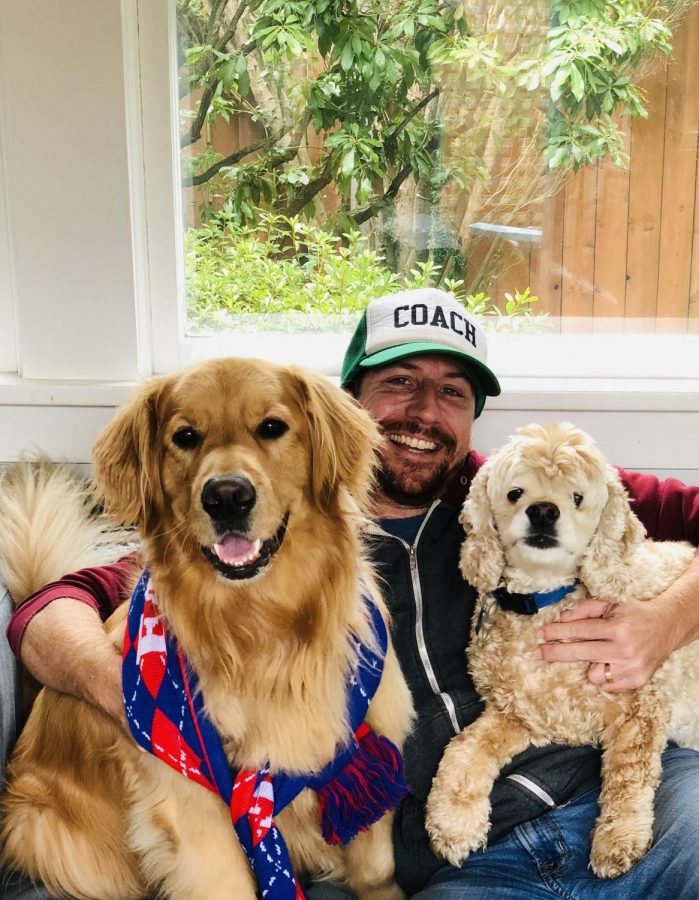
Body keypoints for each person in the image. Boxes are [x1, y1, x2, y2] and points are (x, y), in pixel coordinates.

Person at [3, 288, 699, 899]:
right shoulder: (245, 534)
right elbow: (48, 610)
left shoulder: (516, 488)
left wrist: (665, 619)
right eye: (400, 383)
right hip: (468, 861)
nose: (425, 413)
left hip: (635, 798)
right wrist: (137, 703)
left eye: (452, 392)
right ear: (352, 405)